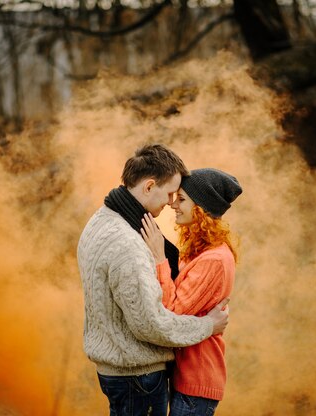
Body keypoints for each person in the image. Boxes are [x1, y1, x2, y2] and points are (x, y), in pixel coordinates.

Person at [77, 145, 230, 416]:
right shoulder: (128, 243)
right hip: (138, 376)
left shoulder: (100, 221)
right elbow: (151, 324)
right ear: (149, 186)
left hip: (121, 372)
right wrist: (208, 325)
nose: (170, 203)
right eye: (170, 194)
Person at [141, 168, 242, 416]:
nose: (173, 205)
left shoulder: (214, 259)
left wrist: (159, 258)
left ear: (202, 208)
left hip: (196, 380)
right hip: (186, 377)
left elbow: (172, 311)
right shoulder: (202, 251)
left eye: (182, 199)